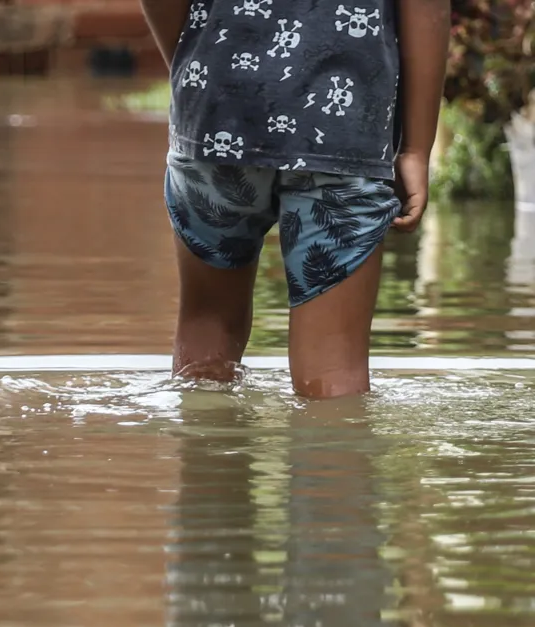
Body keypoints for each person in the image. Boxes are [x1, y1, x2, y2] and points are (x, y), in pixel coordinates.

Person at [140, 0, 450, 398]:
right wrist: (416, 148)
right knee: (334, 367)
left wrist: (193, 73)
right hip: (344, 134)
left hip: (216, 115)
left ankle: (206, 456)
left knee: (208, 328)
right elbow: (429, 9)